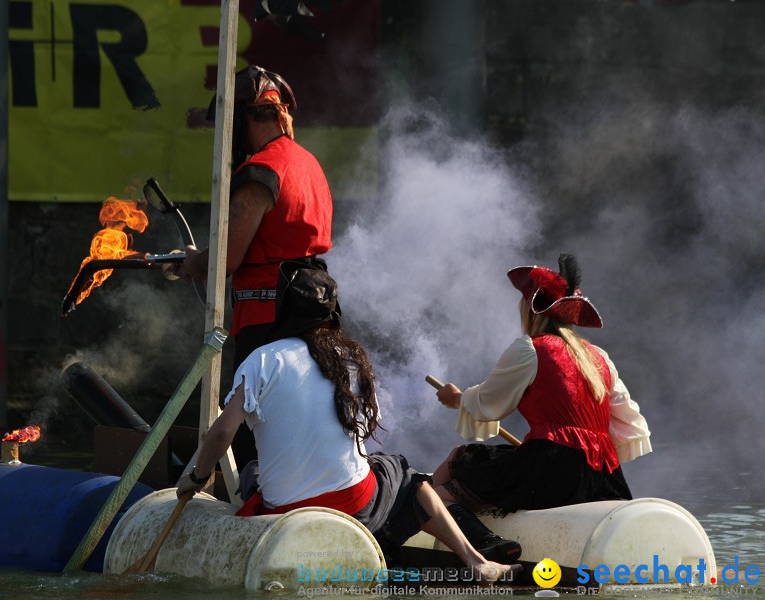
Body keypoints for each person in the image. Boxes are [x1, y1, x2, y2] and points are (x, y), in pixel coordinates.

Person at [175, 261, 521, 580]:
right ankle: (478, 562)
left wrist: (196, 477)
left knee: (252, 470)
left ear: (283, 310)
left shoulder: (261, 358)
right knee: (406, 476)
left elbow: (222, 434)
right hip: (354, 507)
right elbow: (364, 431)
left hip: (284, 513)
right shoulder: (352, 357)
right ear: (332, 313)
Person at [430, 254, 652, 558]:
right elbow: (628, 422)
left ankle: (484, 543)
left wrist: (457, 399)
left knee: (439, 495)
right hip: (603, 473)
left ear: (531, 310)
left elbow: (488, 403)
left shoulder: (530, 350)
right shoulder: (598, 357)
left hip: (550, 464)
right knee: (462, 460)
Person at [168, 65, 334, 469]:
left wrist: (191, 263)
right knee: (299, 424)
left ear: (242, 117)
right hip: (317, 314)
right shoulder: (308, 163)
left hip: (268, 318)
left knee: (251, 435)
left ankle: (250, 512)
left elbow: (227, 258)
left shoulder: (260, 171)